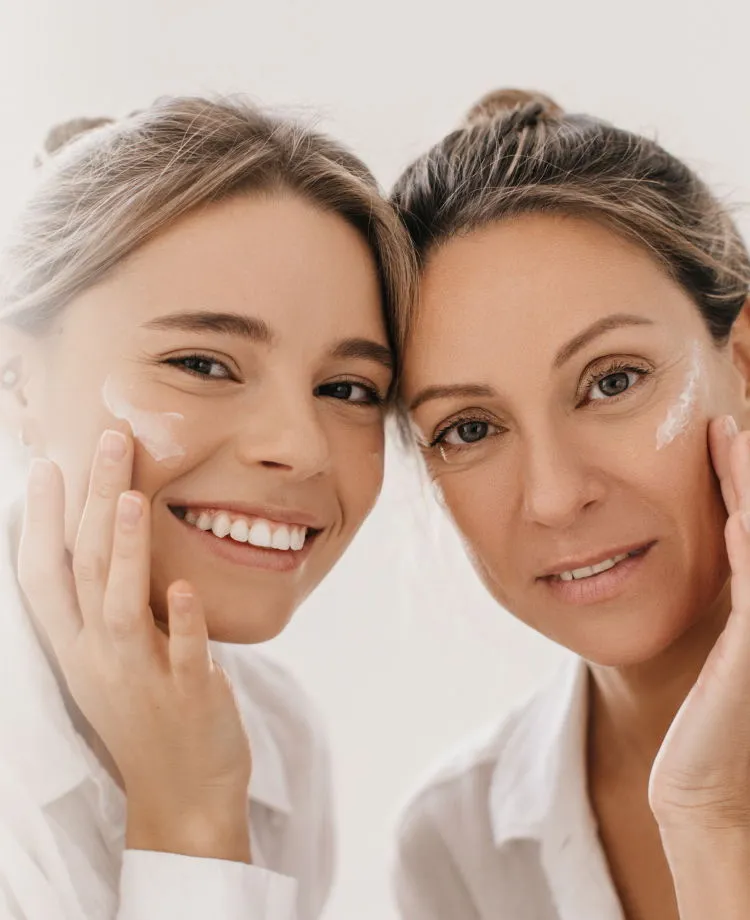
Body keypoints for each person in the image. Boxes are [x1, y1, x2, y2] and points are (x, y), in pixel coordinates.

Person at [0, 95, 414, 920]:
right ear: (15, 380)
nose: (301, 445)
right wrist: (187, 816)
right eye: (203, 363)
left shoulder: (276, 739)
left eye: (348, 388)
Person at [391, 88, 750, 919]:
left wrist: (711, 824)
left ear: (742, 360)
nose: (554, 497)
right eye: (469, 428)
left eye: (612, 381)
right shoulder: (456, 847)